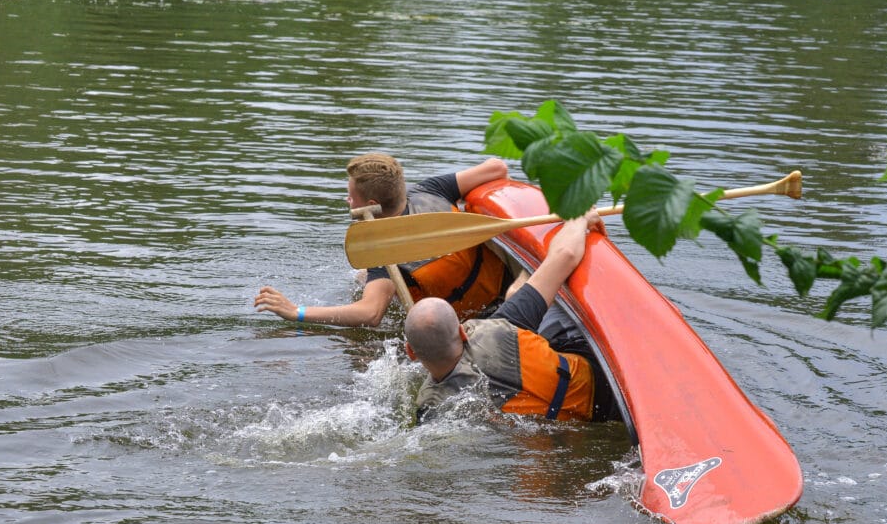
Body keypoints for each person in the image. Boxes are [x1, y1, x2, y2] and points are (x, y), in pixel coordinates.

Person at [404, 211, 622, 424]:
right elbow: (566, 255)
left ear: (411, 352)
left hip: (564, 429)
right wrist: (579, 219)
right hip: (604, 392)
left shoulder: (429, 410)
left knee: (514, 295)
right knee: (526, 298)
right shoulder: (496, 331)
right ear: (462, 331)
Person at [254, 153, 515, 327]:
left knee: (363, 277)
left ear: (371, 205)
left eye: (350, 196)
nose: (347, 201)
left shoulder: (384, 253)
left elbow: (370, 313)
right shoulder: (430, 189)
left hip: (477, 321)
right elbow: (497, 167)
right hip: (505, 288)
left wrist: (295, 311)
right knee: (361, 276)